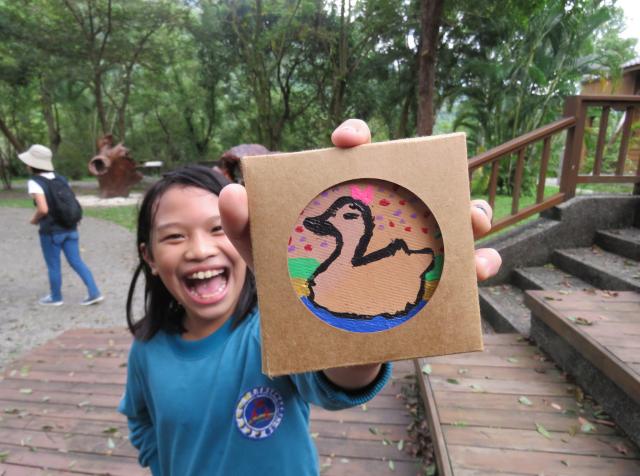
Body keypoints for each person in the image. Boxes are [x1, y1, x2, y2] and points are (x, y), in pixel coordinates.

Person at [119, 120, 502, 475]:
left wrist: (363, 346)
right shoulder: (146, 351)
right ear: (149, 257)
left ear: (243, 237)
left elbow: (334, 379)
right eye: (174, 236)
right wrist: (162, 462)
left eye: (218, 229)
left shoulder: (275, 329)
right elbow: (140, 419)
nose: (200, 250)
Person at [18, 144, 104, 306]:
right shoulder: (61, 179)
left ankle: (55, 297)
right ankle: (94, 292)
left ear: (31, 164)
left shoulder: (35, 182)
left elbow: (43, 209)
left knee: (53, 265)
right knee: (77, 261)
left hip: (51, 232)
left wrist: (34, 220)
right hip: (70, 228)